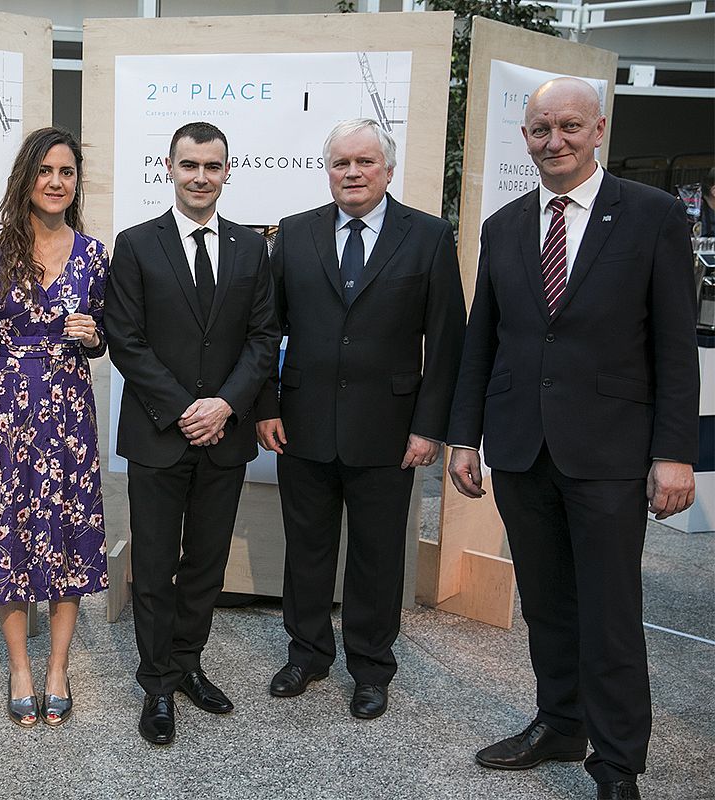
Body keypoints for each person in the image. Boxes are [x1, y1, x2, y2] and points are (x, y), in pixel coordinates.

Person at [447, 77, 698, 800]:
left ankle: (617, 764)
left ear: (598, 129)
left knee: (610, 612)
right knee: (546, 602)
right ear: (525, 136)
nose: (554, 141)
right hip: (521, 447)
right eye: (540, 129)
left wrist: (674, 453)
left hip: (610, 451)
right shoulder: (504, 226)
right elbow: (482, 340)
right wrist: (464, 438)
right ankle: (560, 723)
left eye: (569, 127)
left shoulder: (651, 215)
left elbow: (675, 346)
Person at [255, 118, 466, 720]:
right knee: (307, 549)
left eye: (365, 162)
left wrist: (430, 428)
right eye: (341, 163)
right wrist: (266, 406)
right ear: (328, 171)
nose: (352, 173)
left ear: (388, 170)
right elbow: (266, 328)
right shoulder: (294, 233)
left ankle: (371, 668)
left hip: (390, 430)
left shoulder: (428, 236)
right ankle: (307, 654)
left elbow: (447, 341)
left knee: (377, 557)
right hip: (303, 424)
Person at [105, 121, 280, 745]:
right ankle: (156, 683)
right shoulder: (135, 245)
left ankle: (187, 664)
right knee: (154, 565)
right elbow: (125, 338)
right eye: (189, 165)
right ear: (169, 169)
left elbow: (263, 338)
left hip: (224, 436)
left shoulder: (251, 248)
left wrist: (225, 405)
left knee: (206, 563)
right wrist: (185, 408)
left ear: (227, 171)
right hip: (159, 433)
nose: (200, 177)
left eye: (212, 166)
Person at [0, 126, 108, 728]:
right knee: (12, 537)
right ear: (26, 178)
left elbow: (105, 337)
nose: (55, 181)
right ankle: (20, 667)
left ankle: (57, 668)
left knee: (69, 535)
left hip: (70, 415)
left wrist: (94, 337)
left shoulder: (94, 255)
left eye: (66, 172)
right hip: (5, 414)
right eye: (45, 170)